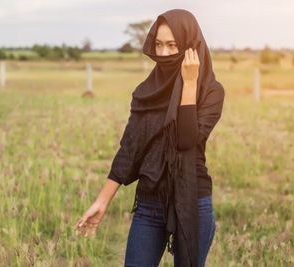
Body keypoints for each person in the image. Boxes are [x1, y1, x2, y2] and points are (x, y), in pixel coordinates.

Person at [74, 9, 225, 267]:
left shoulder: (210, 92)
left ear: (190, 47)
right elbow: (129, 149)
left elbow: (186, 141)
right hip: (149, 204)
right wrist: (102, 201)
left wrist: (189, 85)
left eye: (172, 45)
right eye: (158, 44)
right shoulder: (146, 92)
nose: (163, 53)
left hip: (192, 202)